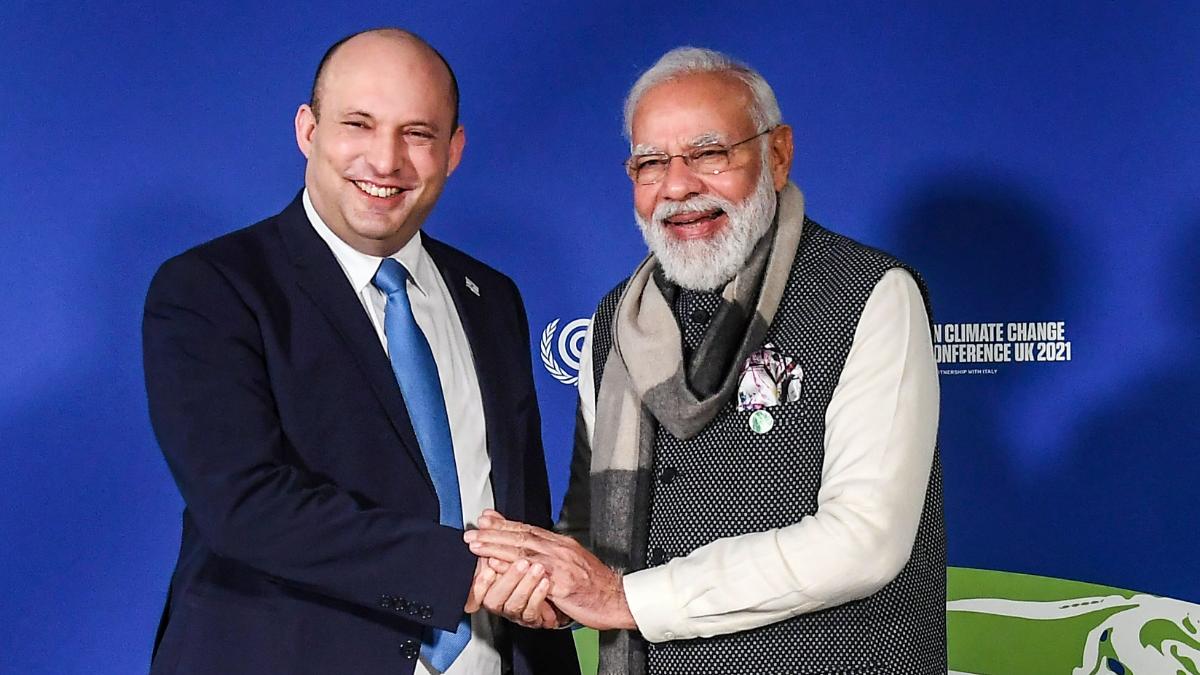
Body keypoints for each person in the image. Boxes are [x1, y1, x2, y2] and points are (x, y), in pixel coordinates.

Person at [465, 46, 945, 674]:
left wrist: (622, 599)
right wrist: (549, 588)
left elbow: (865, 541)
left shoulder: (869, 293)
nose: (679, 187)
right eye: (651, 163)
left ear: (777, 155)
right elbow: (590, 527)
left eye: (709, 155)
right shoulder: (617, 319)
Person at [142, 28, 579, 675]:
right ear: (308, 130)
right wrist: (464, 573)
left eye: (418, 133)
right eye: (359, 124)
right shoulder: (212, 286)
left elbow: (521, 509)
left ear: (453, 149)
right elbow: (246, 507)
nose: (386, 160)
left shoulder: (491, 296)